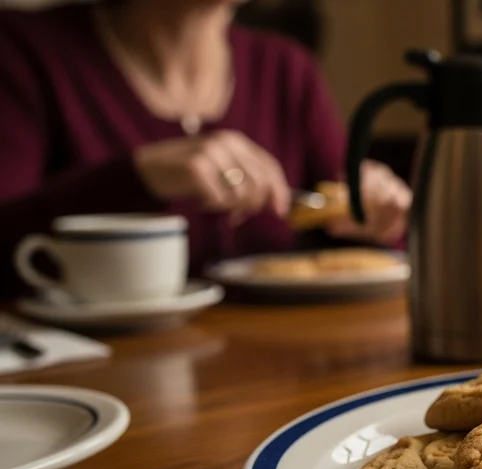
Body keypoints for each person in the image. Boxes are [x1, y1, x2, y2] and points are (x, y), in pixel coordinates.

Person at [0, 0, 411, 295]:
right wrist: (139, 176)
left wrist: (380, 222)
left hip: (272, 374)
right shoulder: (24, 51)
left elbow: (351, 237)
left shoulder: (287, 69)